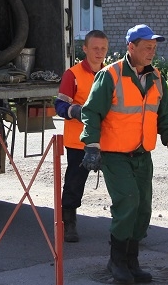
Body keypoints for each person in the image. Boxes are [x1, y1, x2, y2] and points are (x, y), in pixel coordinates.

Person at [80, 24, 168, 284]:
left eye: (154, 47)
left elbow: (164, 115)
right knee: (128, 202)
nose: (151, 51)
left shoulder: (157, 78)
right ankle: (117, 262)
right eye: (147, 47)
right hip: (115, 155)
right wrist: (91, 146)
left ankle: (131, 261)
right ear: (131, 47)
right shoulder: (110, 75)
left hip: (141, 155)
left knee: (143, 208)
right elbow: (91, 112)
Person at [54, 29, 109, 243]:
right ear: (84, 48)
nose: (99, 52)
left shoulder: (110, 74)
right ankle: (69, 223)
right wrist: (75, 111)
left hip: (108, 142)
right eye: (95, 48)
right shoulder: (73, 74)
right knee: (75, 183)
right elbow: (59, 105)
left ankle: (126, 228)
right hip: (79, 142)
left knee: (119, 183)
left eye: (103, 48)